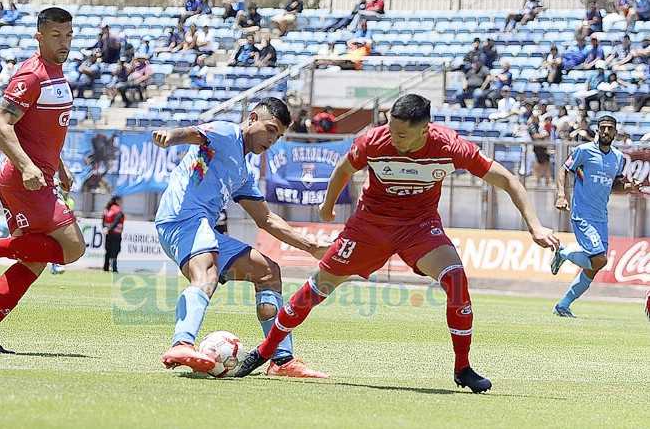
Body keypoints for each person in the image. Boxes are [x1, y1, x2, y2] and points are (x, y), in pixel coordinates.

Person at [234, 94, 559, 393]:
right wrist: (327, 206)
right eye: (391, 130)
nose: (394, 138)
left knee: (456, 279)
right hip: (369, 226)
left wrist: (534, 226)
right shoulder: (375, 140)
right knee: (319, 286)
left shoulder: (450, 147)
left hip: (420, 227)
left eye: (402, 134)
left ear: (424, 130)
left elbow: (508, 180)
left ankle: (463, 368)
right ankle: (265, 352)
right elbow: (343, 168)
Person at [152, 97, 329, 378]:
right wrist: (170, 136)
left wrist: (311, 247)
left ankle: (281, 361)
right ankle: (182, 343)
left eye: (279, 136)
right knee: (206, 274)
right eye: (271, 129)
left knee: (268, 271)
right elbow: (192, 134)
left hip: (202, 228)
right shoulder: (227, 133)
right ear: (253, 117)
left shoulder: (244, 172)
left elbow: (267, 219)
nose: (273, 140)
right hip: (181, 219)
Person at [0, 7, 86, 353]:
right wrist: (30, 167)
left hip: (39, 176)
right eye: (56, 36)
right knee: (73, 248)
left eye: (69, 35)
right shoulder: (31, 75)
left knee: (34, 260)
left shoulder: (56, 73)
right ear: (39, 37)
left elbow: (42, 132)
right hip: (25, 180)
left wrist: (58, 166)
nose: (64, 42)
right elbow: (0, 126)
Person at [550, 115, 641, 317]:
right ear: (598, 130)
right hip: (583, 215)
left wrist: (629, 187)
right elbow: (564, 170)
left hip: (602, 218)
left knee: (594, 267)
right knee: (599, 259)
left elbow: (614, 185)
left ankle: (563, 305)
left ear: (615, 132)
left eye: (610, 128)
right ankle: (564, 253)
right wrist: (561, 195)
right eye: (603, 128)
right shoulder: (584, 151)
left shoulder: (617, 158)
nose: (606, 131)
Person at [50, 189, 76, 275]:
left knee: (63, 246)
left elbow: (71, 213)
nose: (66, 192)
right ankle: (55, 265)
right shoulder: (56, 199)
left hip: (67, 226)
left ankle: (57, 264)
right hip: (57, 225)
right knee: (56, 245)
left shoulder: (70, 201)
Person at [102, 195, 124, 273]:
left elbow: (103, 220)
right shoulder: (117, 210)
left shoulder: (107, 210)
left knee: (108, 250)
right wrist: (110, 229)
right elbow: (116, 221)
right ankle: (114, 268)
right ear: (117, 201)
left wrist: (106, 228)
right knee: (115, 251)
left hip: (108, 233)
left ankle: (106, 267)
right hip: (116, 234)